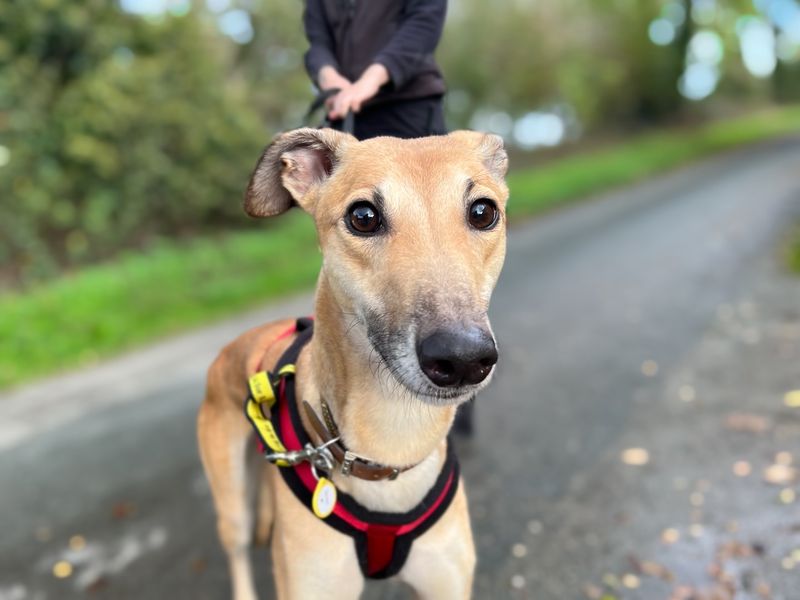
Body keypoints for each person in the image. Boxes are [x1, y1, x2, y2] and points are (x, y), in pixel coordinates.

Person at [303, 0, 448, 140]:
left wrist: (372, 78)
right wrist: (328, 76)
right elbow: (317, 41)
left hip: (409, 107)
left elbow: (424, 24)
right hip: (343, 113)